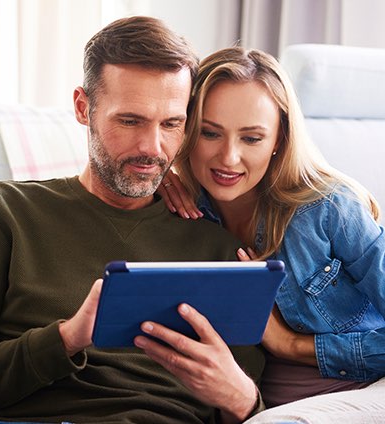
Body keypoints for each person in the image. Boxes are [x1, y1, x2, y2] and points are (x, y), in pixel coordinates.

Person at [0, 18, 265, 423]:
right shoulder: (3, 213)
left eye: (171, 124)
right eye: (130, 121)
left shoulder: (218, 248)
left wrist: (244, 398)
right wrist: (68, 339)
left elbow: (249, 406)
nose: (151, 148)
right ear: (83, 108)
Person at [160, 46, 385, 421]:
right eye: (210, 133)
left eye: (251, 138)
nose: (228, 158)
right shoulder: (183, 208)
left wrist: (291, 344)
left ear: (279, 139)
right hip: (252, 405)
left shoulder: (328, 209)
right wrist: (155, 174)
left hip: (358, 391)